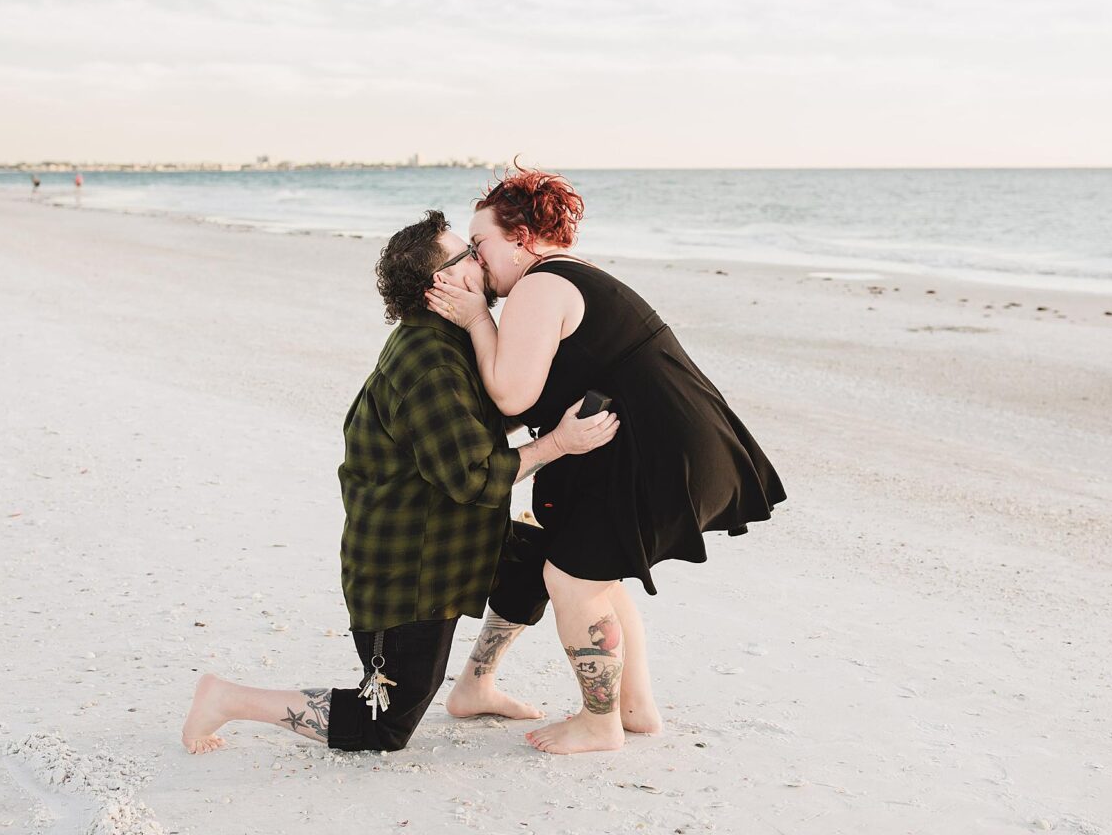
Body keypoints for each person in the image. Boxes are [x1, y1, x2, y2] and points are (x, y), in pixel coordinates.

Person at [182, 210, 619, 754]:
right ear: (447, 280)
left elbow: (473, 422)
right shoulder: (427, 362)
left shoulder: (448, 339)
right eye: (470, 254)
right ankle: (226, 699)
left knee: (537, 564)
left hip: (453, 539)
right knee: (384, 727)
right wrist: (559, 443)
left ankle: (477, 684)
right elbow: (475, 475)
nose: (481, 261)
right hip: (407, 571)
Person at [427, 169, 787, 755]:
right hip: (672, 445)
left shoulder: (541, 286)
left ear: (520, 237)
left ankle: (599, 723)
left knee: (570, 577)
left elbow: (512, 394)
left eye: (480, 242)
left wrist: (474, 319)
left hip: (658, 452)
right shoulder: (573, 277)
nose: (476, 257)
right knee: (596, 574)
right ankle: (634, 708)